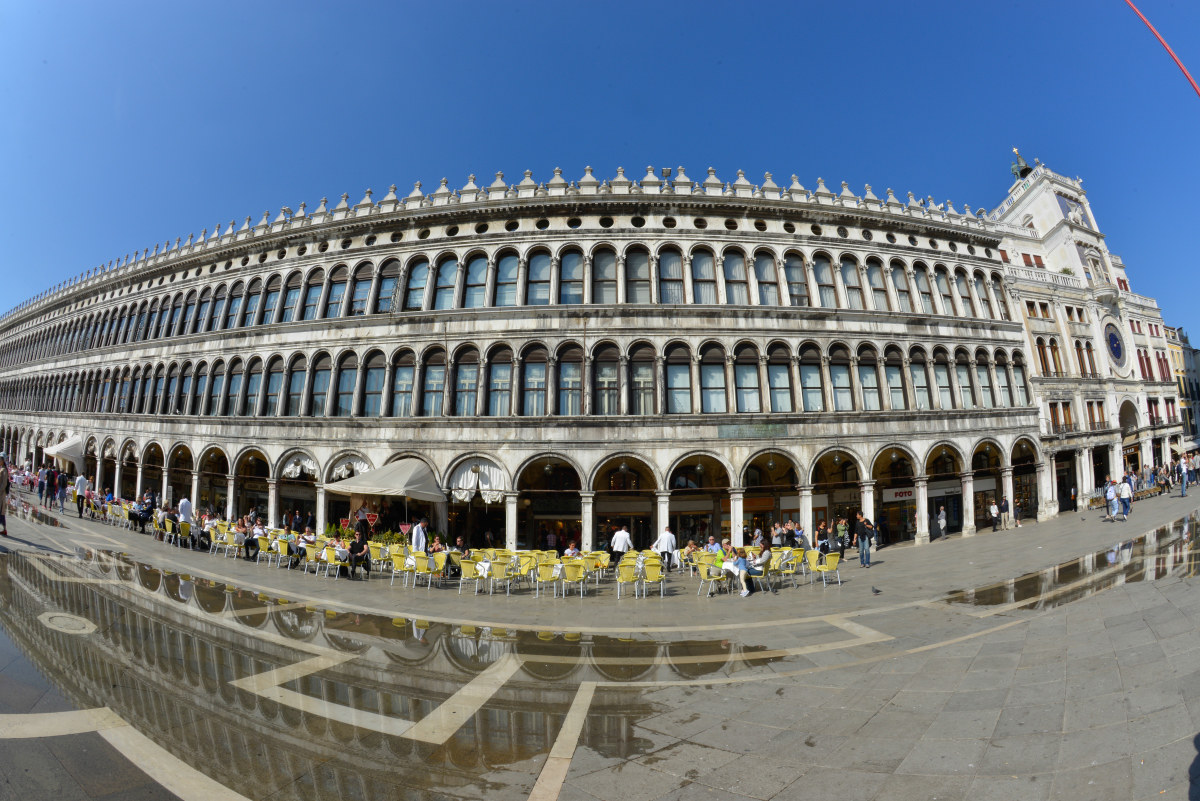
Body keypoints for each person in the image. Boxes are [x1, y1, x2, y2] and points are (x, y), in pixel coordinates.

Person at [0, 452, 9, 537]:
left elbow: (4, 484)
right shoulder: (1, 468)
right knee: (1, 512)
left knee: (1, 512)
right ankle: (4, 529)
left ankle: (4, 529)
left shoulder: (4, 470)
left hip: (1, 494)